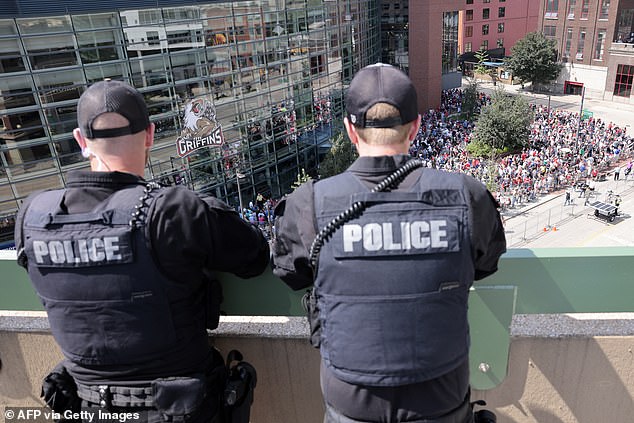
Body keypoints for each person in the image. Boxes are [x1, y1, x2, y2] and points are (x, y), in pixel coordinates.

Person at [14, 80, 270, 422]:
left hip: (87, 407)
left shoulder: (32, 216)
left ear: (81, 141)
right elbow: (255, 257)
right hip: (178, 408)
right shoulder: (174, 211)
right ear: (149, 135)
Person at [271, 63, 506, 423]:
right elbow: (486, 263)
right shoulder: (466, 196)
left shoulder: (309, 205)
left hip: (350, 408)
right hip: (442, 405)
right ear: (415, 126)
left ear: (350, 130)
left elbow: (290, 274)